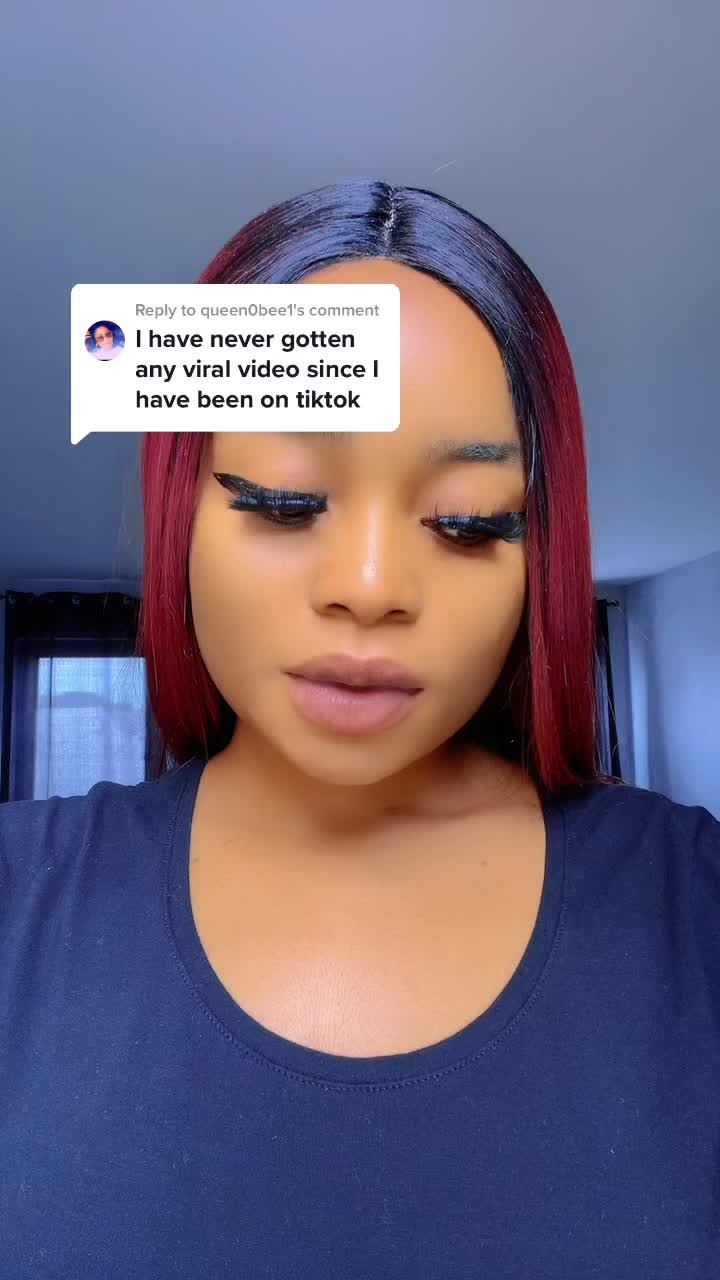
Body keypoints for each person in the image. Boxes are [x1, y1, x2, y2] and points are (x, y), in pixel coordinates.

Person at [1, 180, 718, 1276]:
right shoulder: (22, 898)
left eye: (468, 524)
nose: (372, 586)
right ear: (181, 512)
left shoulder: (692, 908)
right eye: (285, 500)